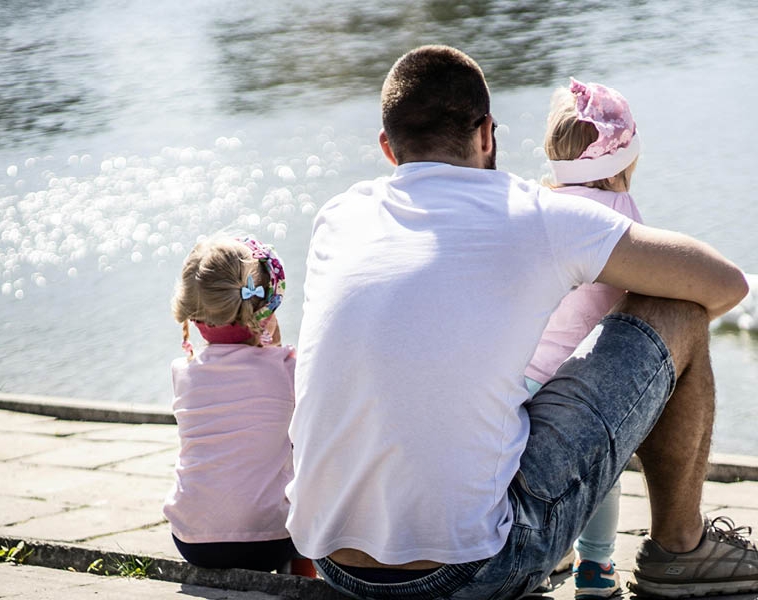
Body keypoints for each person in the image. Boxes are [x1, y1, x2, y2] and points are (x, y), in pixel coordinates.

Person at [286, 45, 755, 600]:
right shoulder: (536, 213)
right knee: (678, 306)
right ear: (486, 134)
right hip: (472, 571)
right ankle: (681, 549)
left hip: (335, 564)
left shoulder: (339, 217)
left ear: (388, 149)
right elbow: (726, 284)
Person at [525, 78, 644, 598]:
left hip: (512, 379)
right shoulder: (621, 217)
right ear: (624, 163)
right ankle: (596, 567)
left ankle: (552, 552)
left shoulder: (533, 207)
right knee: (602, 464)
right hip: (565, 380)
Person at [163, 233, 309, 574]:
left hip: (192, 541)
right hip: (269, 543)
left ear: (194, 315)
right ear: (266, 306)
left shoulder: (183, 373)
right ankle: (304, 581)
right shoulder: (288, 368)